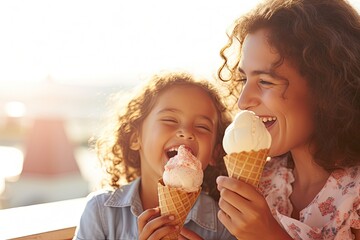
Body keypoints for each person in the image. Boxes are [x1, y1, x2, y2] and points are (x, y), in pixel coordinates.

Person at [216, 0, 360, 239]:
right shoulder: (264, 181)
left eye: (265, 81)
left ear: (326, 87)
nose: (243, 102)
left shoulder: (353, 197)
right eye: (244, 81)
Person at [73, 71, 236, 240]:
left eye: (202, 126)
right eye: (170, 120)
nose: (186, 132)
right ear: (135, 137)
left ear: (215, 153)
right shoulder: (101, 212)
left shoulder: (225, 223)